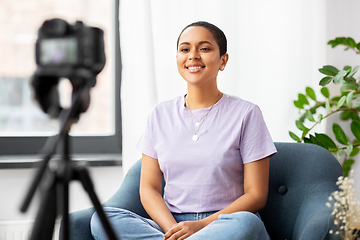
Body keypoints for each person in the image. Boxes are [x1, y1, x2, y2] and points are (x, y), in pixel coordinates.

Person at [90, 21, 277, 240]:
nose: (193, 55)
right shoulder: (159, 114)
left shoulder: (247, 113)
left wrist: (200, 227)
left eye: (205, 48)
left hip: (224, 223)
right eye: (185, 49)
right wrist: (173, 231)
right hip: (171, 225)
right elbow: (149, 188)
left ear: (223, 60)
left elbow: (256, 195)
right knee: (102, 219)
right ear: (177, 58)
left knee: (247, 223)